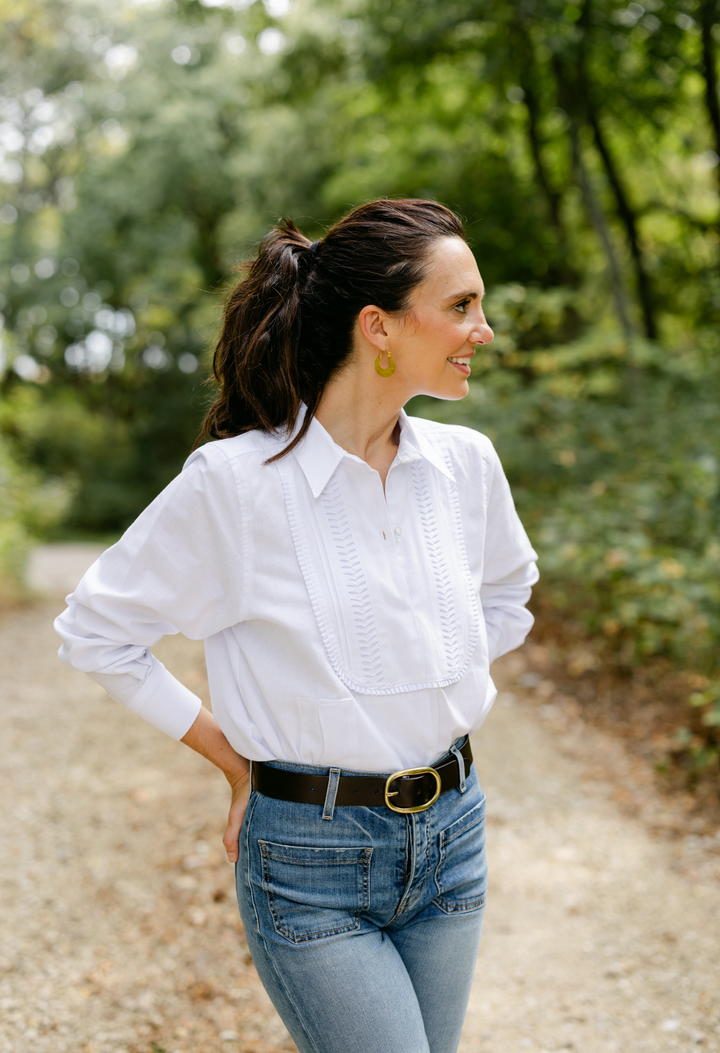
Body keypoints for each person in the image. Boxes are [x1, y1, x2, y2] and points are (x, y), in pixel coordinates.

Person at [55, 198, 538, 1053]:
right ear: (378, 326)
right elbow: (97, 629)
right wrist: (232, 758)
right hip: (310, 861)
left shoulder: (468, 465)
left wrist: (435, 672)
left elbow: (508, 596)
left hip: (454, 836)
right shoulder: (235, 484)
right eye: (462, 305)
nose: (484, 329)